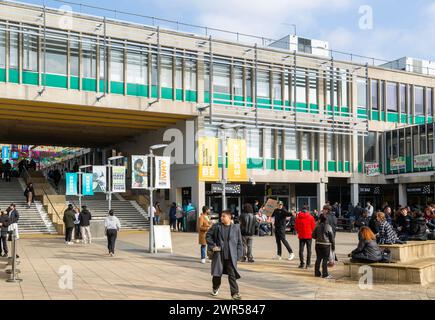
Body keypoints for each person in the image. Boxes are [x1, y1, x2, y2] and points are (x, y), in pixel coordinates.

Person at [206, 209, 243, 300]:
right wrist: (213, 246)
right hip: (219, 255)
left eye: (224, 216)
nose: (221, 218)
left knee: (232, 275)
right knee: (217, 275)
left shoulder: (236, 228)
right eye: (221, 216)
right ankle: (215, 287)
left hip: (231, 256)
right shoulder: (216, 226)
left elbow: (239, 242)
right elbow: (208, 236)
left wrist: (238, 254)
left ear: (229, 217)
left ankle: (235, 294)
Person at [312, 214, 335, 279]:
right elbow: (332, 238)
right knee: (325, 259)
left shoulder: (317, 226)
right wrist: (333, 246)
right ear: (326, 219)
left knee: (318, 258)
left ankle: (317, 273)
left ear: (320, 219)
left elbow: (313, 236)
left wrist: (318, 237)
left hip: (318, 244)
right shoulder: (328, 226)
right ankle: (325, 274)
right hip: (326, 245)